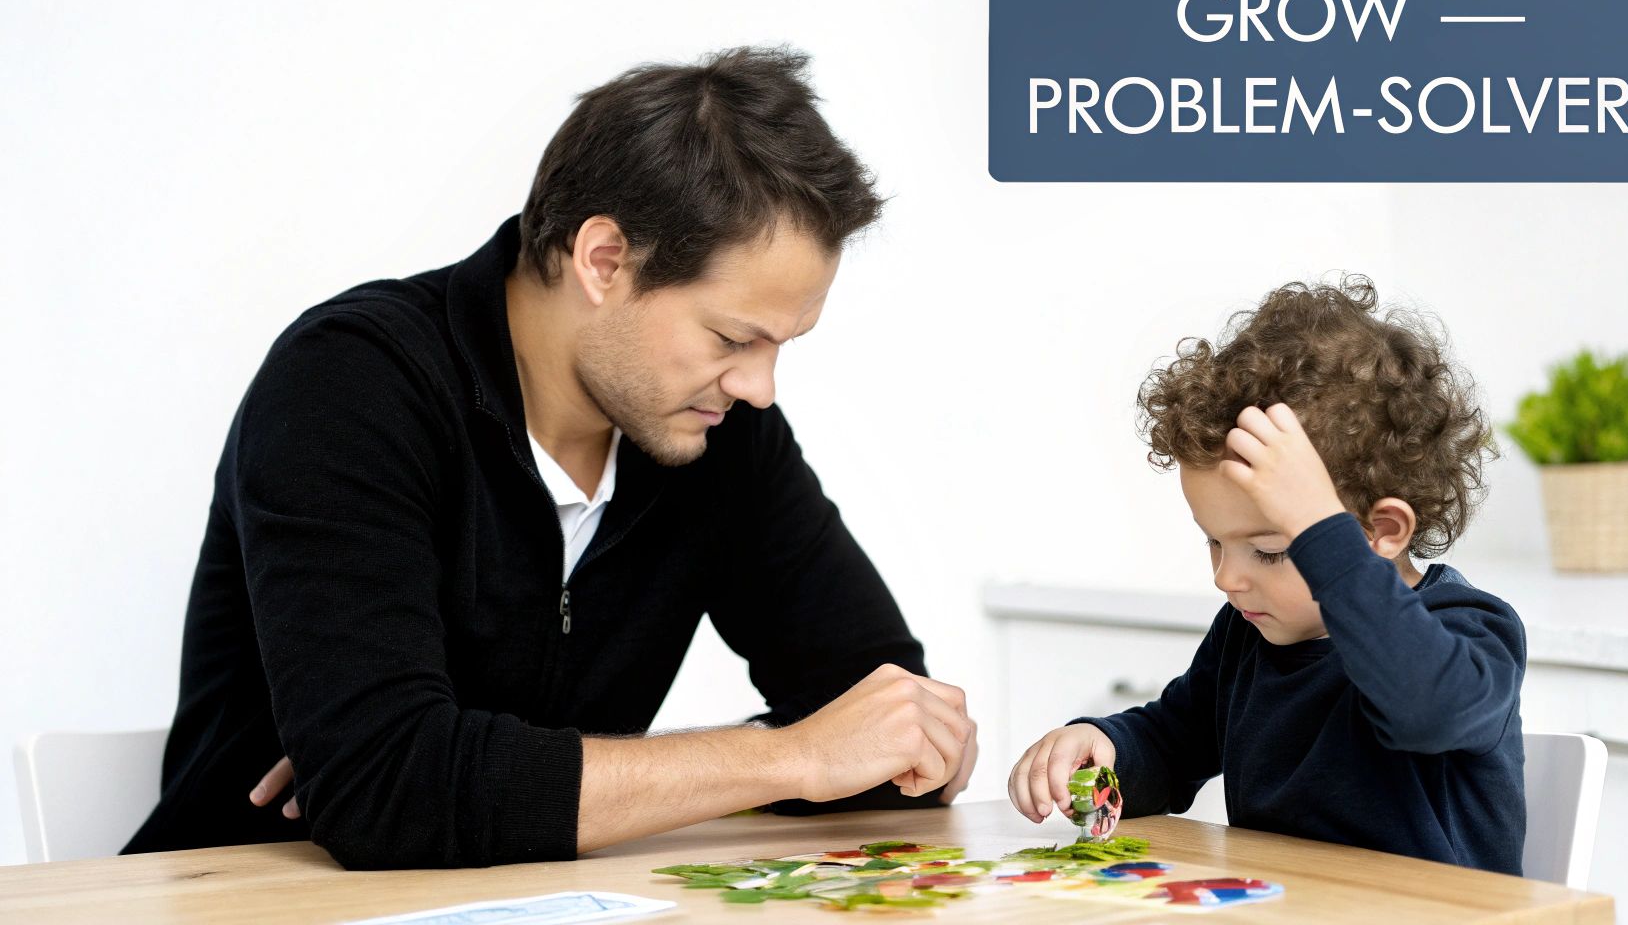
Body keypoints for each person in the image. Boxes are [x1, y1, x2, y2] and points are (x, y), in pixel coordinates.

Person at [124, 47, 977, 870]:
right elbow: (388, 794)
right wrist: (786, 757)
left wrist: (475, 777)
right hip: (254, 894)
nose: (760, 387)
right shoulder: (350, 384)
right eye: (732, 337)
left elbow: (897, 742)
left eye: (783, 344)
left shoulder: (721, 436)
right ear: (603, 260)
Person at [1007, 277, 1527, 874]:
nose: (1227, 579)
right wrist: (1105, 750)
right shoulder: (1246, 635)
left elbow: (1428, 708)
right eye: (1214, 542)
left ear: (1381, 533)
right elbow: (1173, 744)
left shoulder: (1469, 629)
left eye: (1274, 550)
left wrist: (1317, 525)